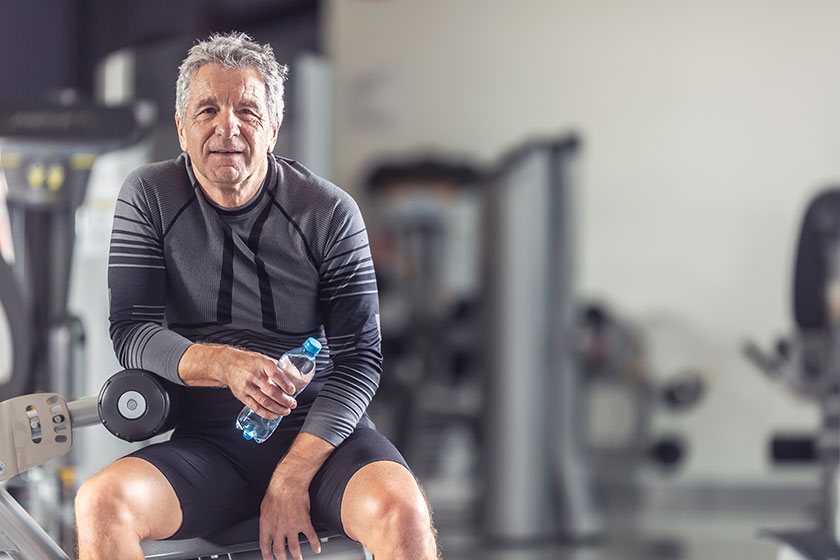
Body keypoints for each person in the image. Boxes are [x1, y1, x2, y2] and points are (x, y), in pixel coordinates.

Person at [74, 32, 439, 560]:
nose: (228, 126)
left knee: (404, 514)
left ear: (273, 128)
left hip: (322, 438)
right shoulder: (149, 195)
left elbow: (359, 360)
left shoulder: (329, 212)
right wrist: (224, 364)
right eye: (207, 110)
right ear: (181, 127)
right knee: (100, 503)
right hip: (209, 445)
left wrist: (292, 478)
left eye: (247, 109)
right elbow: (132, 332)